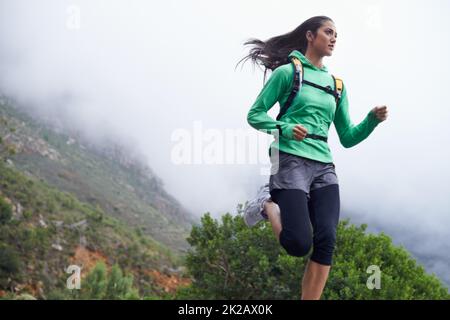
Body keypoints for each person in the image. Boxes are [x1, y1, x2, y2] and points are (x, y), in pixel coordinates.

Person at [237, 16, 388, 300]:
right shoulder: (288, 73)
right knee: (297, 243)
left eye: (336, 35)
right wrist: (284, 128)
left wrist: (371, 120)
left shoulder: (337, 85)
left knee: (327, 240)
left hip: (324, 166)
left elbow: (347, 137)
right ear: (310, 36)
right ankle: (267, 205)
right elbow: (255, 115)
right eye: (328, 32)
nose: (333, 39)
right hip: (290, 160)